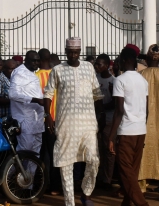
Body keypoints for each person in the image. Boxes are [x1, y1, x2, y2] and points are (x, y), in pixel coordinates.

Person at [44, 37, 104, 206]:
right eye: (70, 52)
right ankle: (69, 202)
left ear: (79, 52)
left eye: (76, 52)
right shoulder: (57, 70)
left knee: (94, 159)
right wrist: (47, 115)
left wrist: (101, 116)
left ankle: (86, 193)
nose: (73, 55)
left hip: (88, 123)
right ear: (65, 52)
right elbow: (48, 94)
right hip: (66, 124)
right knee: (66, 165)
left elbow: (97, 93)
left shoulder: (88, 67)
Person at [109, 47, 149, 206]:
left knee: (126, 173)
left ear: (125, 60)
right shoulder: (143, 80)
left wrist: (111, 136)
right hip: (140, 130)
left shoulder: (120, 80)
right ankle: (127, 202)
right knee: (132, 171)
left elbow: (119, 110)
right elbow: (147, 110)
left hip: (126, 131)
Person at [138, 45, 159, 203]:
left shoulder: (140, 75)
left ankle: (141, 189)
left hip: (143, 122)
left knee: (142, 155)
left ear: (146, 58)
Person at [36, 48, 62, 196]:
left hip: (42, 120)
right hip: (58, 119)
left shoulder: (35, 77)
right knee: (56, 154)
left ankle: (43, 184)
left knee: (43, 153)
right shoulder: (57, 75)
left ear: (39, 60)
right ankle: (55, 186)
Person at [9, 50, 45, 155]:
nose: (36, 63)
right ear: (26, 60)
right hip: (25, 120)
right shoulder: (20, 72)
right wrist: (35, 100)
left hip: (37, 120)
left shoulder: (33, 73)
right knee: (25, 151)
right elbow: (13, 94)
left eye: (38, 61)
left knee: (36, 152)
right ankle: (19, 171)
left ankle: (30, 172)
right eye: (33, 61)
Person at [94, 53, 116, 189]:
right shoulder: (95, 79)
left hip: (109, 120)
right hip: (96, 119)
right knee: (98, 150)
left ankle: (107, 179)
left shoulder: (113, 81)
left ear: (107, 66)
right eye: (96, 64)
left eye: (99, 64)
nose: (96, 66)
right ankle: (99, 177)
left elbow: (115, 103)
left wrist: (102, 109)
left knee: (109, 150)